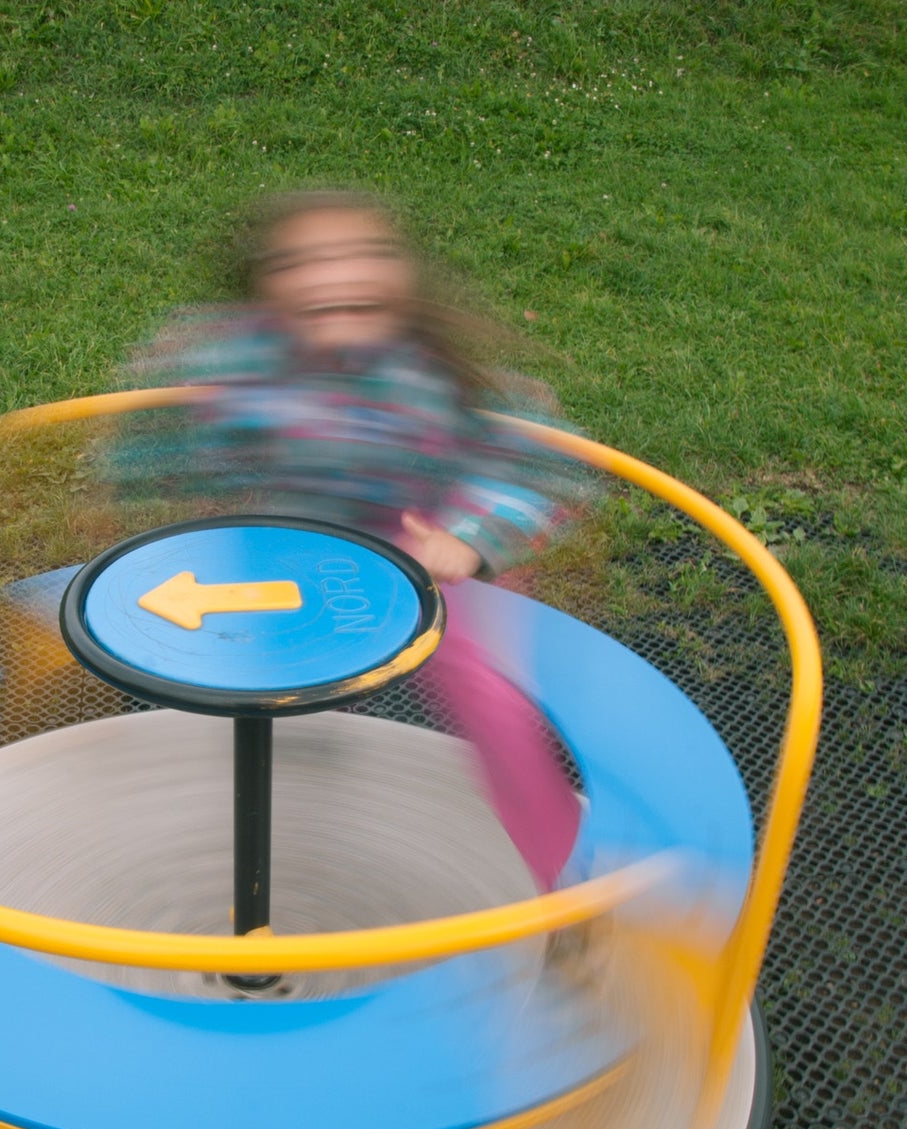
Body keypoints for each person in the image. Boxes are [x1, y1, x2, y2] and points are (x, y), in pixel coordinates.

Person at [113, 189, 596, 892]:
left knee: (488, 702)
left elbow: (543, 461)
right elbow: (156, 437)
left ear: (403, 280)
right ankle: (304, 785)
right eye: (301, 262)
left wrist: (471, 536)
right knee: (281, 683)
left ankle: (563, 876)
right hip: (304, 549)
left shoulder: (435, 373)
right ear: (264, 289)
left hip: (432, 556)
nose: (336, 276)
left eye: (365, 255)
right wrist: (146, 453)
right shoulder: (240, 358)